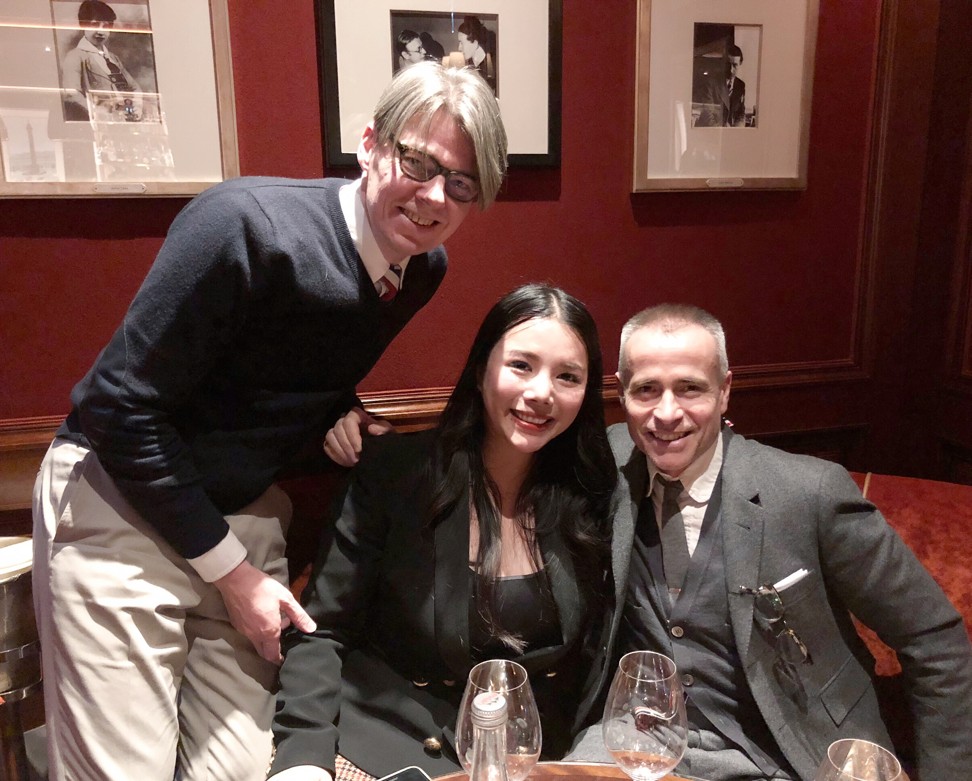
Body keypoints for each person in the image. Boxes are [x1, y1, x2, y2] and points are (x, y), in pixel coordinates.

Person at [32, 61, 507, 781]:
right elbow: (116, 406)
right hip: (120, 505)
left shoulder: (421, 269)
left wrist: (339, 411)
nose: (435, 196)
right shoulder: (244, 225)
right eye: (420, 162)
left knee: (250, 771)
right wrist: (235, 577)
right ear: (371, 144)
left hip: (240, 510)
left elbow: (290, 358)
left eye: (462, 185)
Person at [569, 304, 972, 781]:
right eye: (647, 390)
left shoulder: (810, 493)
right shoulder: (605, 462)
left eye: (691, 388)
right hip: (635, 739)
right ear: (622, 394)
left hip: (783, 749)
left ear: (725, 392)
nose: (666, 413)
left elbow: (935, 640)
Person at [268, 284, 617, 781]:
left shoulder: (596, 491)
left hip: (533, 762)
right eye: (521, 365)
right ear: (481, 370)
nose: (542, 392)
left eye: (568, 377)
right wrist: (303, 758)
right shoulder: (397, 472)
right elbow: (323, 630)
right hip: (387, 744)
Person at [61, 0, 142, 121]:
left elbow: (135, 88)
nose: (101, 32)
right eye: (94, 25)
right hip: (97, 126)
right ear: (83, 25)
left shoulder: (113, 58)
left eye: (106, 26)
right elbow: (72, 94)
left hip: (124, 122)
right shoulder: (75, 56)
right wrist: (96, 111)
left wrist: (138, 105)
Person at [694, 44, 746, 128]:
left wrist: (737, 130)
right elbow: (708, 116)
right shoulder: (710, 82)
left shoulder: (740, 85)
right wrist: (725, 132)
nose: (731, 70)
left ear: (740, 64)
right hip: (711, 132)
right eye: (728, 64)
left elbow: (741, 114)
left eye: (735, 65)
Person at [458, 15, 496, 92]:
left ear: (475, 42)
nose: (459, 48)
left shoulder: (492, 64)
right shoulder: (469, 65)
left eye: (461, 43)